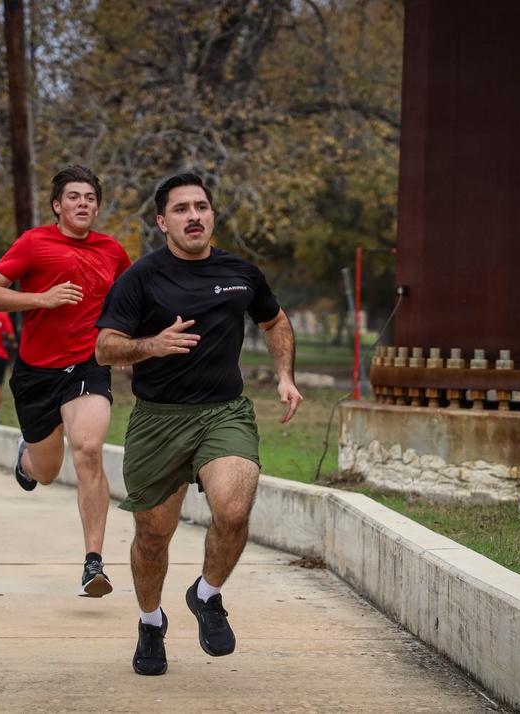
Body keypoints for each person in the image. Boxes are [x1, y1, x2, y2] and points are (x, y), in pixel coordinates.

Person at [94, 172, 303, 676]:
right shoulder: (142, 277)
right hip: (158, 420)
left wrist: (285, 376)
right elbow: (104, 347)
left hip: (222, 412)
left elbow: (273, 321)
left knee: (233, 510)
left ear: (212, 215)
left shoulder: (241, 273)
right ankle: (150, 623)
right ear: (163, 222)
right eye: (182, 209)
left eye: (202, 206)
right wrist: (150, 345)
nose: (194, 215)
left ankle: (206, 595)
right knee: (152, 537)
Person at [0, 165, 132, 598]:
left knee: (89, 451)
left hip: (88, 365)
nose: (84, 203)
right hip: (36, 373)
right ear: (57, 206)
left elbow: (134, 301)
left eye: (91, 198)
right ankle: (26, 457)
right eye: (75, 197)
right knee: (46, 472)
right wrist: (40, 298)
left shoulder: (112, 251)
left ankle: (93, 563)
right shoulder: (33, 243)